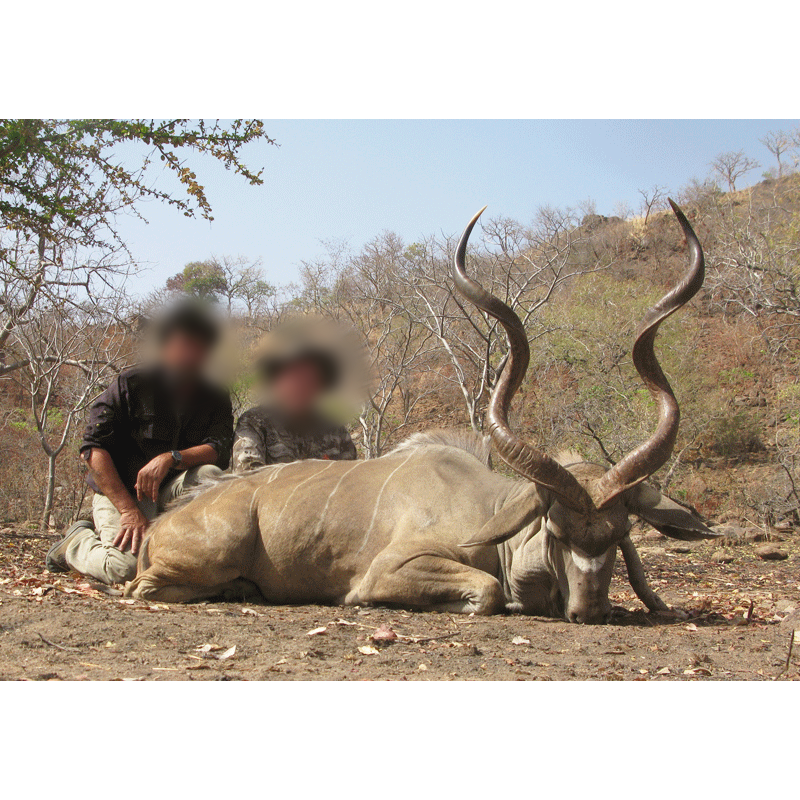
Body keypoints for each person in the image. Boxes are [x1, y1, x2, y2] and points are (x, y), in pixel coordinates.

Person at [46, 302, 234, 584]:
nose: (190, 354)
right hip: (124, 494)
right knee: (125, 569)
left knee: (211, 475)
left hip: (171, 492)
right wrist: (128, 511)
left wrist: (171, 458)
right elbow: (93, 450)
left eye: (198, 346)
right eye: (183, 345)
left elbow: (218, 447)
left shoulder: (215, 396)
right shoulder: (131, 384)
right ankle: (76, 542)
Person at [232, 324, 357, 472]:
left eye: (309, 379)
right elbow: (247, 481)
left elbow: (352, 481)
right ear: (277, 382)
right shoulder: (254, 423)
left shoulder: (336, 431)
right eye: (293, 378)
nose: (300, 386)